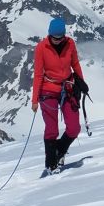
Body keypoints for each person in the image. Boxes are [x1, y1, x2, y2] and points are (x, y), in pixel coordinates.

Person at [31, 16, 86, 173]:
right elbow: (38, 75)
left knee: (74, 128)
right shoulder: (41, 48)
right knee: (52, 129)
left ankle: (59, 150)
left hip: (67, 87)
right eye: (55, 38)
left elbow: (75, 63)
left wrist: (81, 82)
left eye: (60, 37)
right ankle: (50, 163)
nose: (57, 40)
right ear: (49, 35)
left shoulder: (70, 44)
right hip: (48, 90)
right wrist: (34, 100)